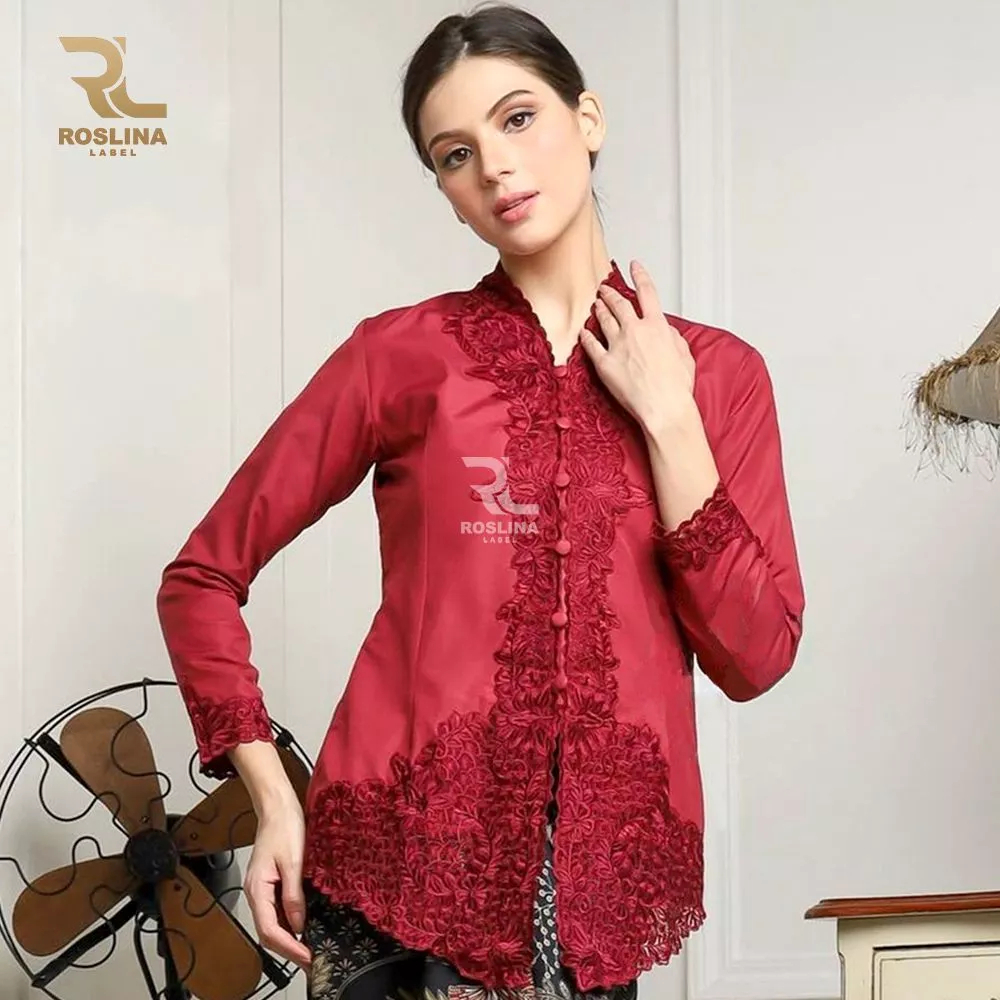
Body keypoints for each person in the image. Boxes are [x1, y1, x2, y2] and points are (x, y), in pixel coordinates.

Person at [155, 4, 806, 998]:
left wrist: (671, 420)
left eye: (518, 118)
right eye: (454, 154)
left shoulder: (716, 375)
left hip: (585, 902)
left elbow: (755, 656)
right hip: (390, 874)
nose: (495, 167)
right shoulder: (400, 356)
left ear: (588, 118)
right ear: (446, 191)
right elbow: (200, 577)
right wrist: (273, 796)